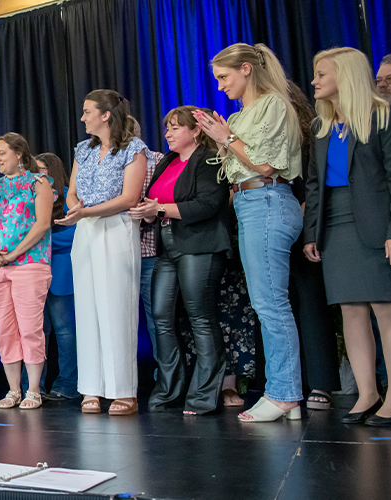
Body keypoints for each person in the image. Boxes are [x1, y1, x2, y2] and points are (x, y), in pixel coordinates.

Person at [197, 42, 304, 422]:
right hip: (250, 205)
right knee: (269, 303)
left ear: (246, 69)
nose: (221, 85)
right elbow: (237, 165)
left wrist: (226, 138)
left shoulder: (272, 104)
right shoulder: (244, 114)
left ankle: (284, 394)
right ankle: (286, 393)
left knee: (270, 305)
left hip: (267, 202)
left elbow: (264, 165)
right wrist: (222, 135)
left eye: (224, 77)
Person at [304, 47, 391, 427]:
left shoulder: (383, 117)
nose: (314, 81)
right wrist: (313, 232)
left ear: (345, 77)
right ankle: (367, 393)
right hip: (336, 226)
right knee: (351, 312)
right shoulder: (321, 126)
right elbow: (314, 186)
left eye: (321, 74)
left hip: (378, 227)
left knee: (388, 313)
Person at [129, 106, 229, 415]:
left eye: (175, 127)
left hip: (200, 245)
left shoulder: (208, 160)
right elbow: (153, 204)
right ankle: (171, 389)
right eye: (167, 127)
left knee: (201, 317)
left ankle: (203, 394)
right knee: (160, 316)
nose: (168, 133)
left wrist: (158, 210)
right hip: (168, 246)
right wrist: (148, 212)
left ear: (196, 131)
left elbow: (208, 204)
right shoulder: (168, 162)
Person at [56, 89, 147, 416]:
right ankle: (91, 388)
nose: (82, 118)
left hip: (116, 228)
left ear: (106, 114)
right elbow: (72, 193)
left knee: (116, 308)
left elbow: (129, 198)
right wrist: (75, 209)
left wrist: (87, 212)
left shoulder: (134, 150)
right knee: (88, 309)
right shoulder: (83, 149)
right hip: (86, 231)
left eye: (87, 111)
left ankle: (124, 390)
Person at [0, 133, 55, 409]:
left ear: (19, 154)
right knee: (2, 329)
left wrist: (12, 254)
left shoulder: (38, 182)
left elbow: (43, 223)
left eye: (2, 153)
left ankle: (33, 389)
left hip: (29, 264)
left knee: (30, 327)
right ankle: (13, 389)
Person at [285, 80, 340, 411]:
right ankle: (285, 381)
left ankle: (321, 383)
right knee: (280, 306)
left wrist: (302, 221)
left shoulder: (310, 137)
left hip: (305, 227)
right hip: (271, 226)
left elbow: (315, 188)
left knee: (311, 304)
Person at [34, 153, 80, 401]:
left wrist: (39, 240)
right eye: (36, 169)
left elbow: (75, 235)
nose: (40, 174)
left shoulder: (69, 196)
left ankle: (67, 385)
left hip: (62, 272)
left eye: (43, 169)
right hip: (33, 272)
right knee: (37, 331)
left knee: (65, 332)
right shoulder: (29, 197)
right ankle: (32, 386)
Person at [130, 118, 162, 366]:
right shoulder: (108, 164)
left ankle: (165, 378)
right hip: (118, 254)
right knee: (118, 319)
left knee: (157, 318)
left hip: (151, 251)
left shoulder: (160, 161)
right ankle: (120, 381)